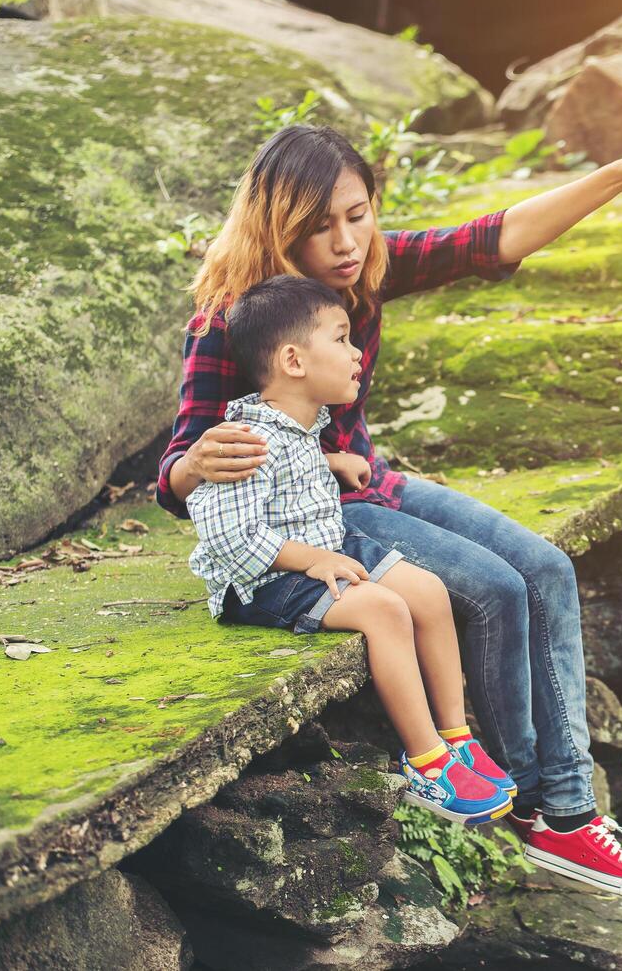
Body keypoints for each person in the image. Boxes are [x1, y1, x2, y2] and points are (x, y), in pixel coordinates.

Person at [156, 121, 622, 898]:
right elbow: (179, 470)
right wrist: (192, 467)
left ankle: (562, 813)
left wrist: (618, 173)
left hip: (368, 481)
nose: (346, 240)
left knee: (545, 567)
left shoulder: (362, 271)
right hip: (311, 518)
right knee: (491, 587)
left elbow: (493, 238)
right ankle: (539, 803)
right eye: (319, 227)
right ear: (279, 227)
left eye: (357, 213)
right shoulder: (233, 318)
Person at [187, 275, 515, 826]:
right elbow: (230, 538)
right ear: (294, 360)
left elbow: (289, 477)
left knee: (428, 591)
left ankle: (456, 738)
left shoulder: (296, 425)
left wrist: (331, 465)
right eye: (340, 339)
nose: (355, 352)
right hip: (267, 580)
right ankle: (427, 764)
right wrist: (313, 561)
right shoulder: (244, 439)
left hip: (323, 546)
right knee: (385, 609)